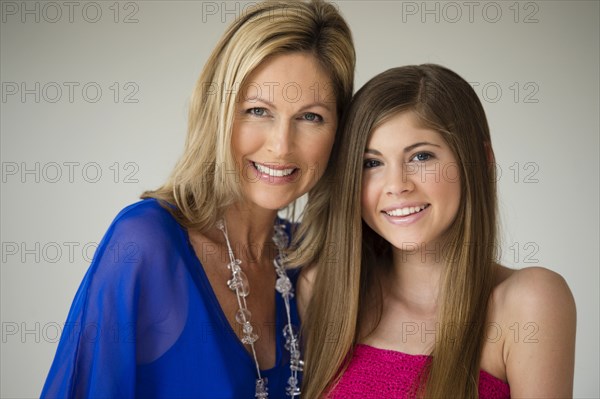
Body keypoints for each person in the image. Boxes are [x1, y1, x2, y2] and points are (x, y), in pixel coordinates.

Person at [41, 1, 355, 397]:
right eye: (258, 110)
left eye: (311, 117)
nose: (281, 145)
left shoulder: (308, 263)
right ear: (217, 112)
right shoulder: (147, 244)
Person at [299, 64, 576, 398]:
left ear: (479, 159)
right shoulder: (323, 290)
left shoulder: (530, 302)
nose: (396, 186)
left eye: (421, 156)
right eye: (371, 163)